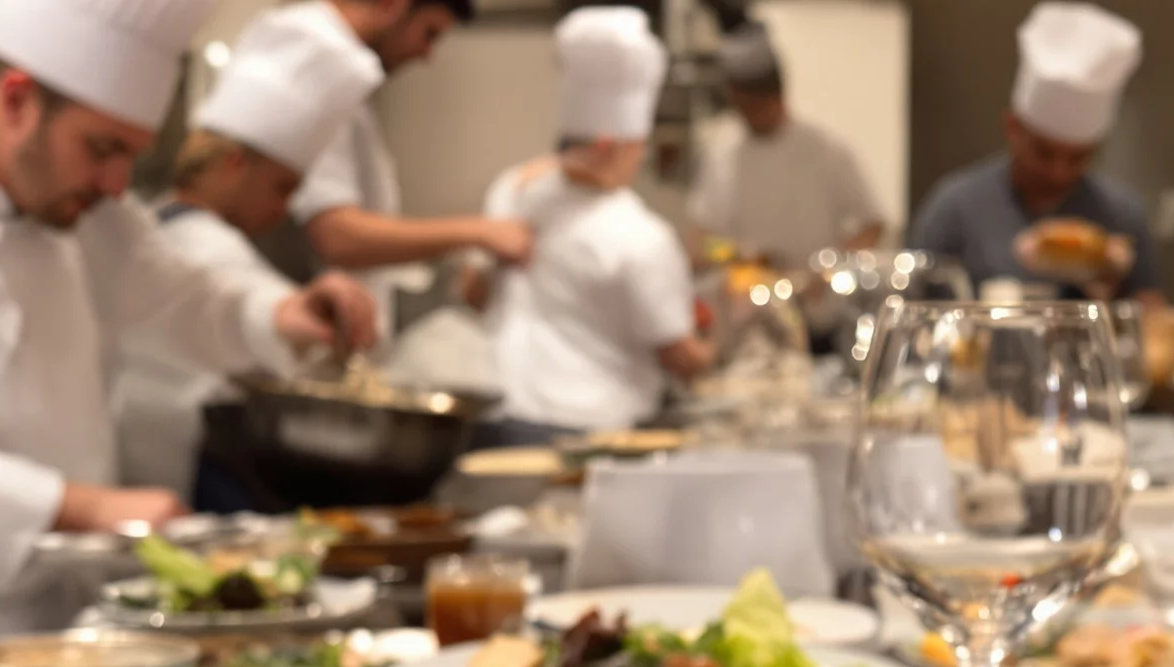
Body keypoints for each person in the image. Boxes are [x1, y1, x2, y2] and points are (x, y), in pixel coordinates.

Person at [0, 0, 377, 665]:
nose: (118, 186)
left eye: (132, 155)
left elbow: (182, 295)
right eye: (103, 148)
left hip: (54, 634)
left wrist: (284, 314)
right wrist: (86, 507)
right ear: (18, 99)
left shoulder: (78, 215)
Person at [113, 3, 385, 497]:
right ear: (236, 163)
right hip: (187, 466)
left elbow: (216, 305)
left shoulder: (149, 229)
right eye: (283, 188)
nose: (284, 210)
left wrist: (287, 313)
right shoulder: (206, 245)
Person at [469, 8, 711, 438]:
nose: (641, 158)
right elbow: (681, 357)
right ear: (609, 143)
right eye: (640, 146)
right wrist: (730, 339)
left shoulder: (511, 190)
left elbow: (473, 292)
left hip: (504, 416)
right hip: (598, 431)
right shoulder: (641, 236)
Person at [295, 0, 533, 340]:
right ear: (394, 7)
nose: (426, 54)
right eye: (429, 33)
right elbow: (336, 236)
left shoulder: (348, 89)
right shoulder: (316, 69)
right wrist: (476, 232)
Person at [908, 1, 1161, 304]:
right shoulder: (954, 209)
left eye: (1078, 157)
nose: (1059, 171)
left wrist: (1112, 285)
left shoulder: (1119, 215)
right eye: (1044, 153)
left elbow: (1151, 321)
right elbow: (914, 307)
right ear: (1013, 128)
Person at [687, 23, 884, 271]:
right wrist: (739, 254)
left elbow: (872, 224)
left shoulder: (826, 150)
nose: (750, 116)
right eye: (743, 108)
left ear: (778, 96)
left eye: (756, 107)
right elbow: (702, 242)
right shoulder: (722, 152)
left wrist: (831, 272)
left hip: (815, 299)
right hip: (744, 295)